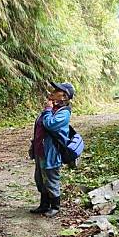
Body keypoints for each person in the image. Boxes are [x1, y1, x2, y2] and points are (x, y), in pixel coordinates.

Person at [28, 81, 75, 218]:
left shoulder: (64, 113)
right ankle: (44, 205)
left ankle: (55, 206)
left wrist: (47, 110)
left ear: (64, 97)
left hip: (52, 151)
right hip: (40, 150)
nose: (52, 92)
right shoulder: (51, 109)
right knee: (40, 178)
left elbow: (50, 125)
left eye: (57, 91)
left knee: (51, 177)